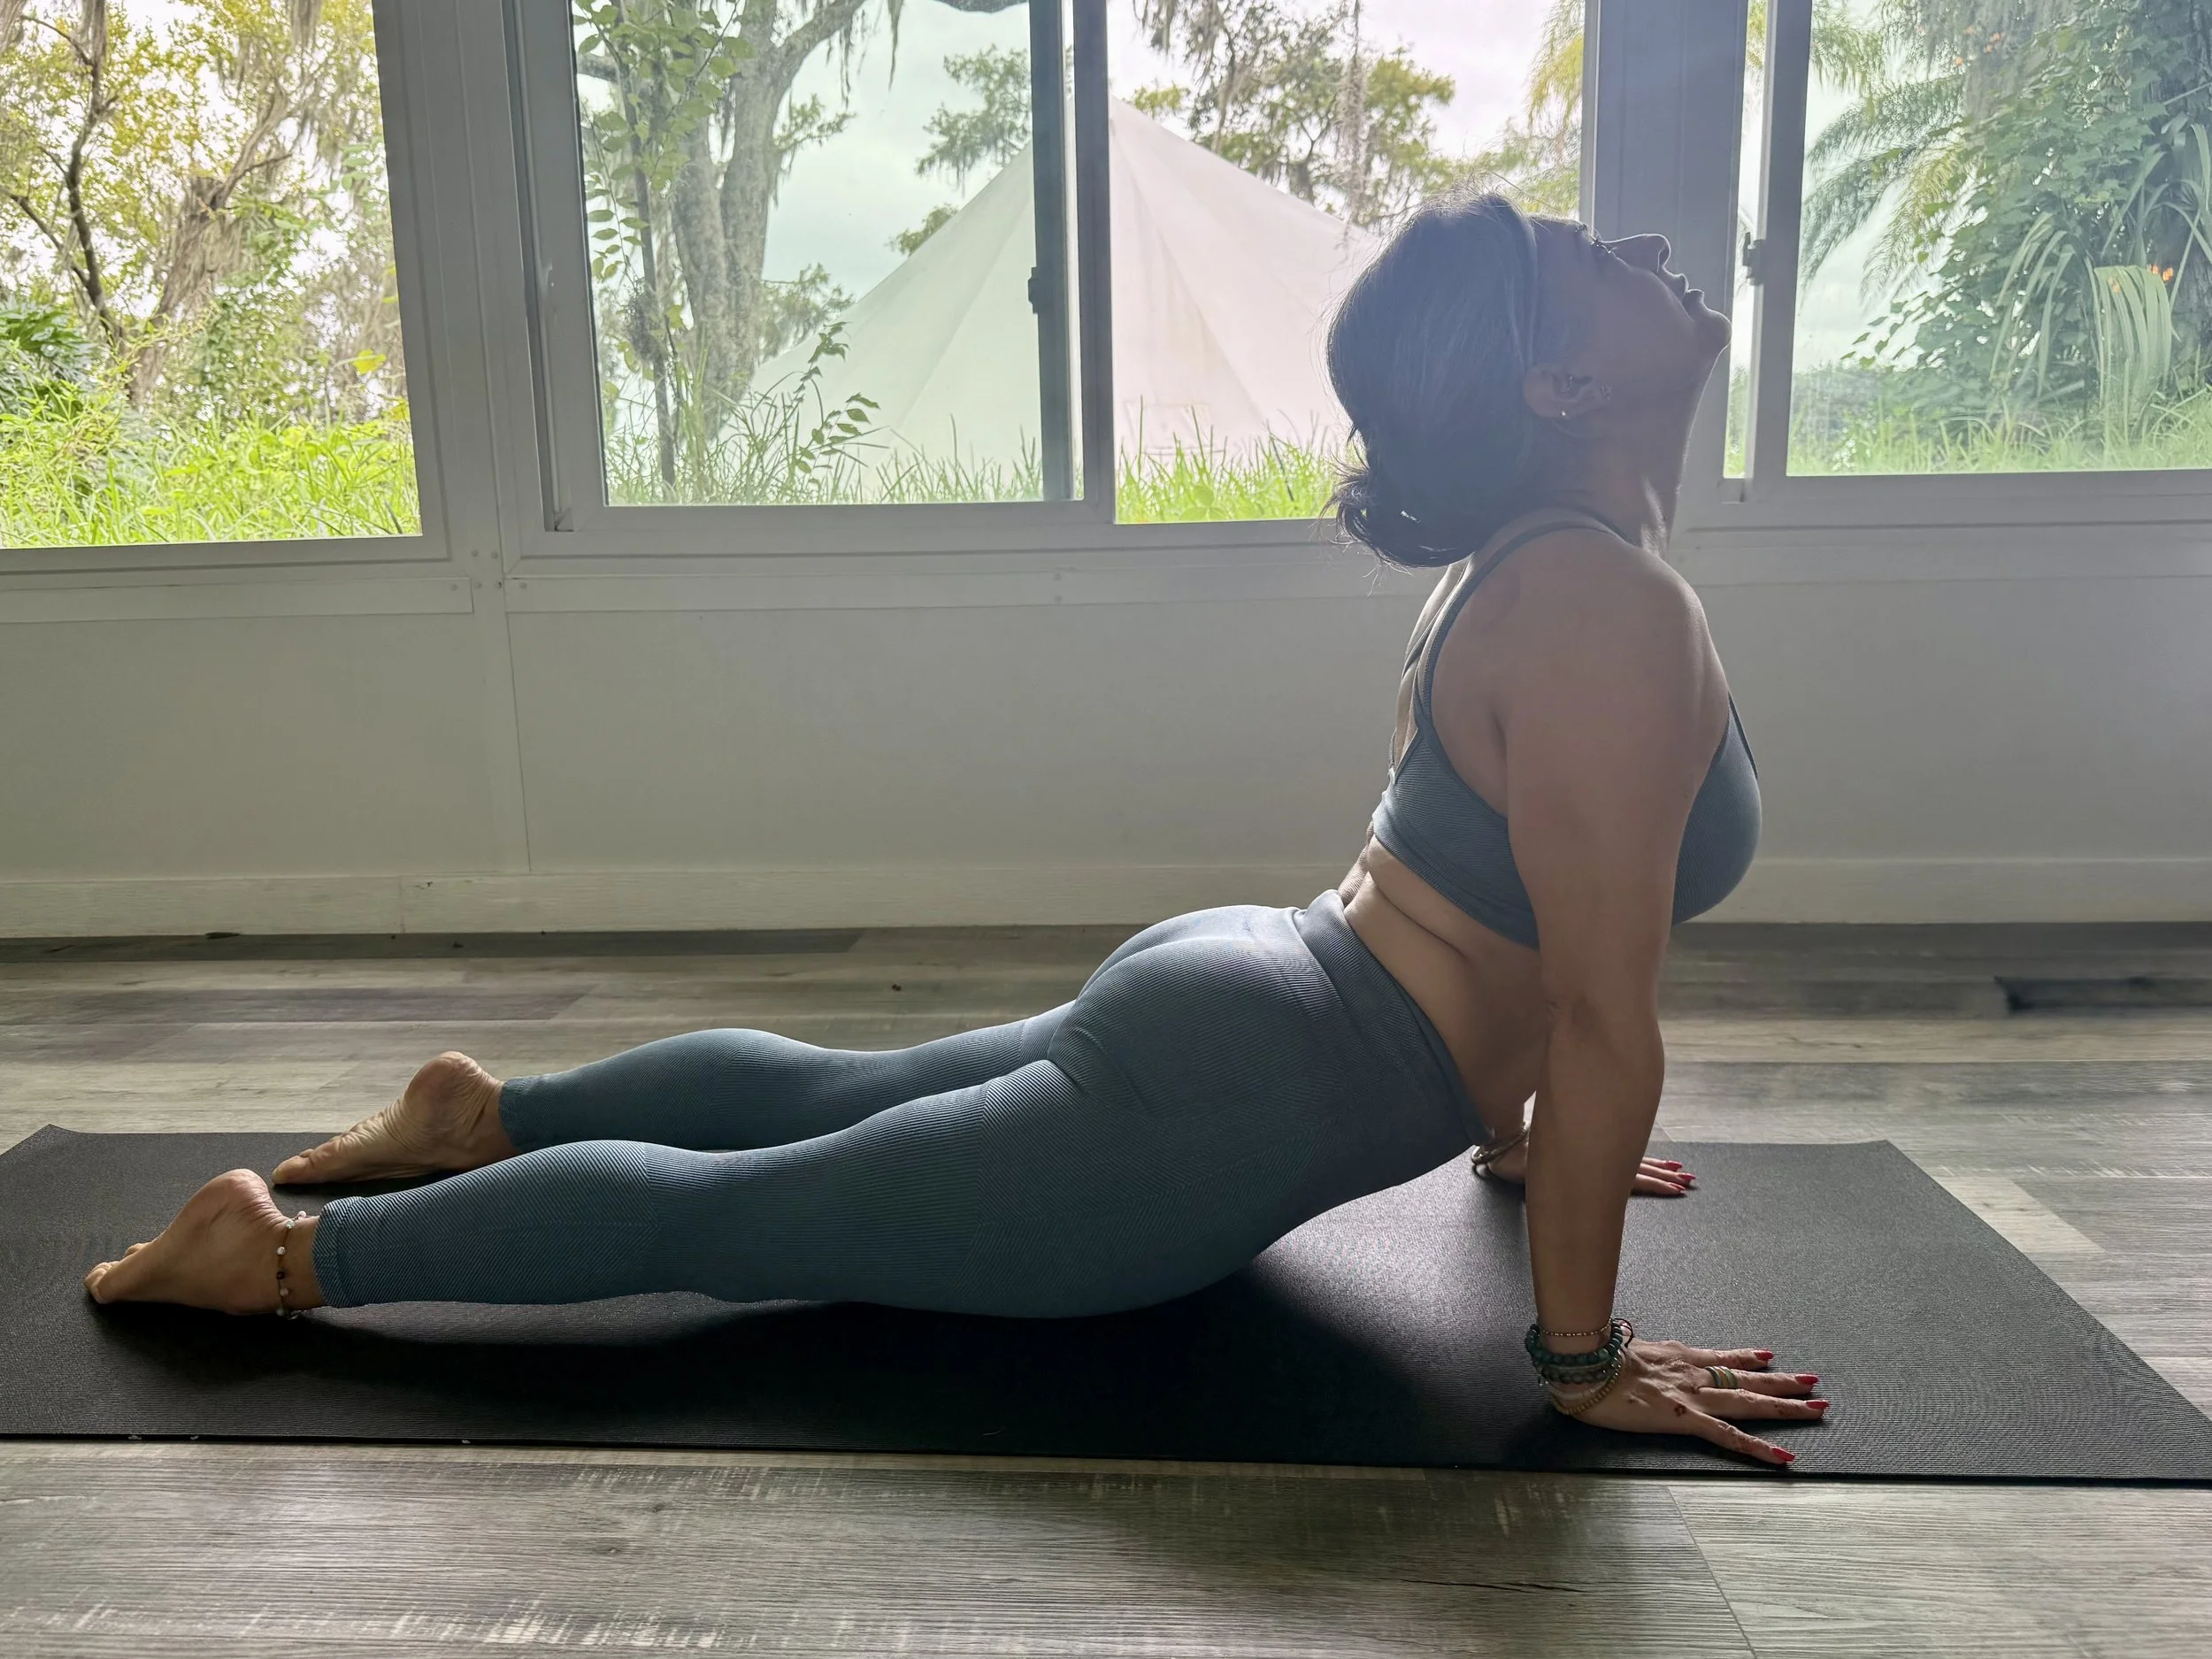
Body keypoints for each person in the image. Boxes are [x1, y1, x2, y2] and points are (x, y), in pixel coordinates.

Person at [84, 190, 1827, 1466]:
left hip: (1258, 988)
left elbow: (1497, 901)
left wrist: (1520, 1137)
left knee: (831, 1097)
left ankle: (485, 1113)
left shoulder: (1546, 579)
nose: (1649, 253)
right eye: (1594, 262)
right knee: (744, 1220)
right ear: (1553, 391)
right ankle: (290, 1253)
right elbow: (1600, 1009)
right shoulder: (1603, 608)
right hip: (1239, 1093)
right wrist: (1580, 1354)